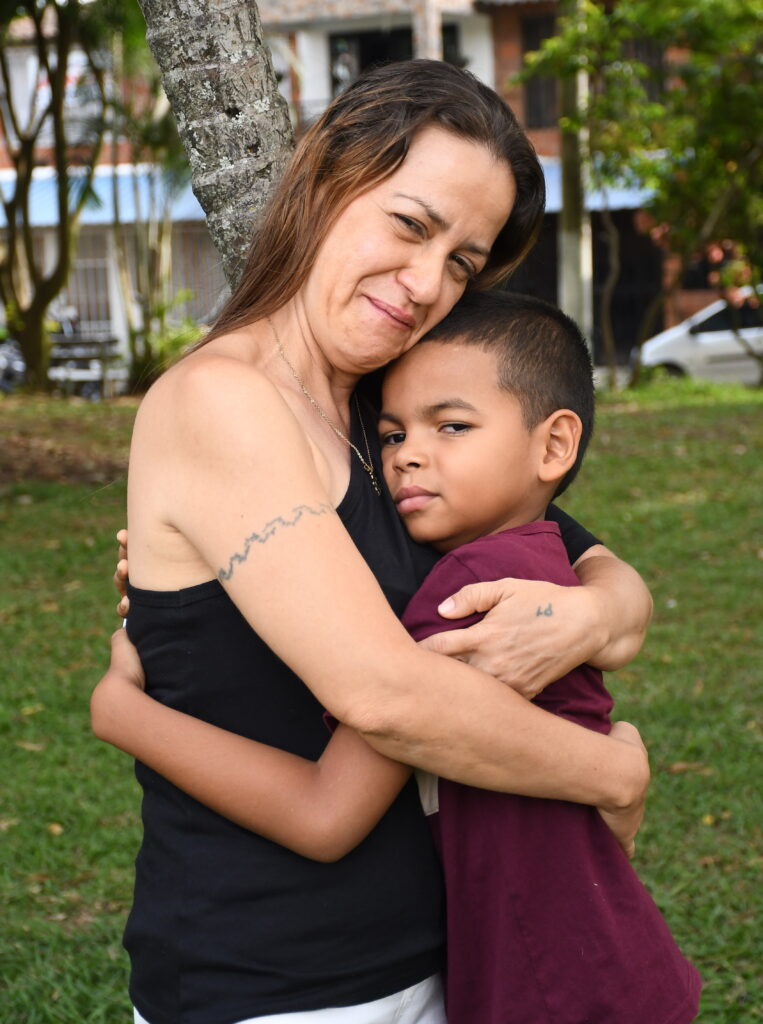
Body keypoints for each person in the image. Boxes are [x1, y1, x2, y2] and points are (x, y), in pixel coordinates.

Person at [91, 60, 653, 1024]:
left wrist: (594, 613)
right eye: (410, 224)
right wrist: (612, 771)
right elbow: (382, 695)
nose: (429, 283)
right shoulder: (222, 401)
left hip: (437, 962)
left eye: (463, 262)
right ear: (324, 177)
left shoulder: (386, 419)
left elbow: (592, 563)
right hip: (275, 987)